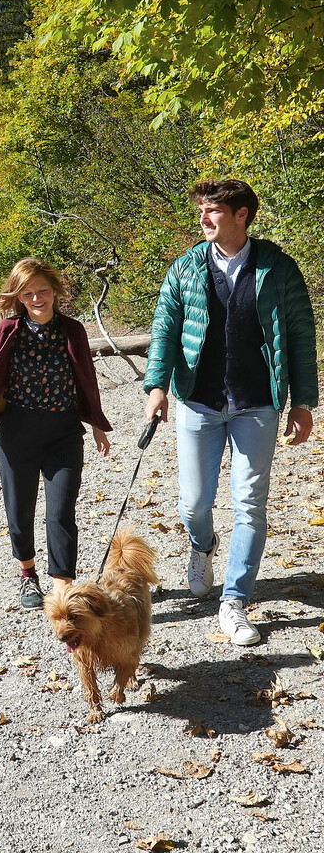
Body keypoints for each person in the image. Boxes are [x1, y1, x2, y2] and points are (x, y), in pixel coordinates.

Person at [144, 178, 317, 646]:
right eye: (201, 210)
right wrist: (156, 385)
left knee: (249, 503)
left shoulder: (278, 268)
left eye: (212, 211)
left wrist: (301, 401)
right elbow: (165, 329)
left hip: (257, 404)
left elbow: (300, 336)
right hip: (198, 401)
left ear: (241, 215)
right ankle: (202, 546)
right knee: (194, 504)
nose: (203, 219)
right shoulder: (185, 268)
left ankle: (235, 601)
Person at [0, 258, 112, 609]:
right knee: (19, 512)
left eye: (42, 291)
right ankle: (28, 576)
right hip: (17, 432)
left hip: (64, 432)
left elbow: (87, 381)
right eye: (28, 293)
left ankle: (63, 589)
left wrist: (96, 425)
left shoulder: (73, 330)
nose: (36, 299)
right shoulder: (9, 329)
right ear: (18, 296)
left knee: (61, 511)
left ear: (55, 291)